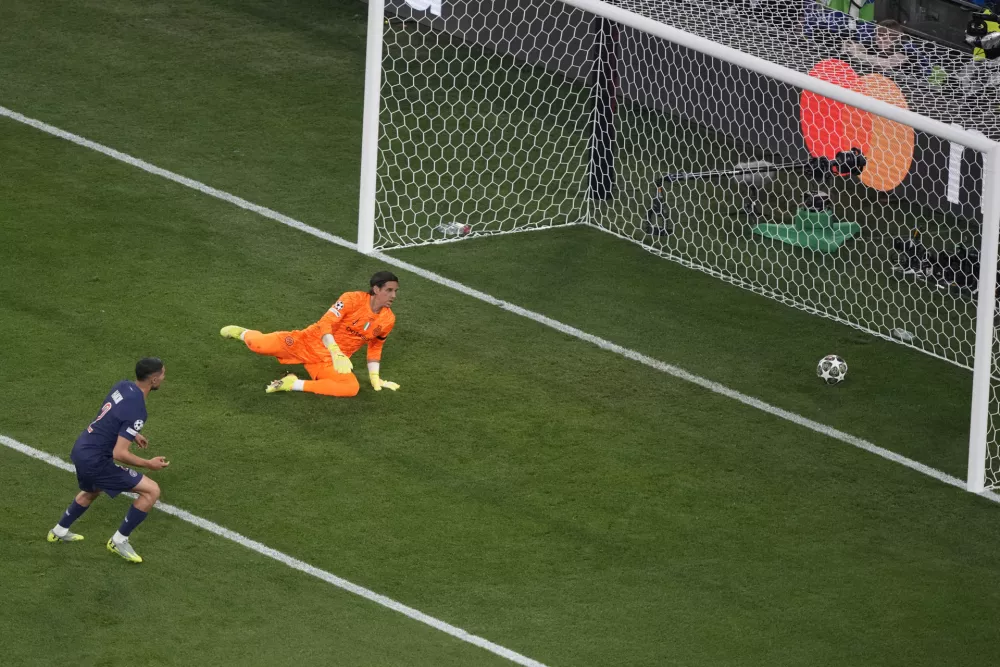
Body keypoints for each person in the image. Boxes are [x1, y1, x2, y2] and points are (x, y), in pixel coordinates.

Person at [47, 358, 169, 564]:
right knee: (152, 490)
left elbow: (110, 415)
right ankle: (119, 541)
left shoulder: (123, 385)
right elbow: (119, 454)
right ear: (154, 379)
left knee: (92, 490)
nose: (164, 378)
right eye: (163, 374)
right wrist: (150, 464)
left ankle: (58, 531)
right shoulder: (138, 410)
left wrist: (131, 433)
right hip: (96, 459)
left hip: (82, 446)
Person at [220, 271, 400, 397]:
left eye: (395, 291)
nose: (393, 296)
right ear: (376, 290)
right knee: (257, 345)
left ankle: (293, 383)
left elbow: (376, 347)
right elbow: (325, 323)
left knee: (351, 388)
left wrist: (375, 378)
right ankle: (243, 333)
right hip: (305, 342)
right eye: (389, 290)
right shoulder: (352, 299)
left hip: (327, 361)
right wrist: (335, 350)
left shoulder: (388, 319)